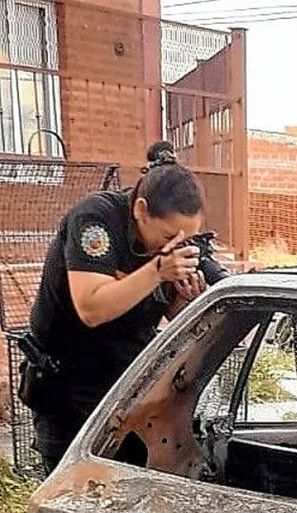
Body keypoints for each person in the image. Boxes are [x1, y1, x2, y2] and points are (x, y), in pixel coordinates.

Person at [22, 142, 208, 474]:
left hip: (127, 389)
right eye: (168, 236)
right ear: (140, 209)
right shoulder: (96, 220)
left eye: (185, 239)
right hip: (70, 389)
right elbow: (91, 308)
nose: (175, 245)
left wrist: (187, 301)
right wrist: (158, 271)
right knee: (73, 501)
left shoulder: (165, 245)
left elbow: (165, 315)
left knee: (130, 493)